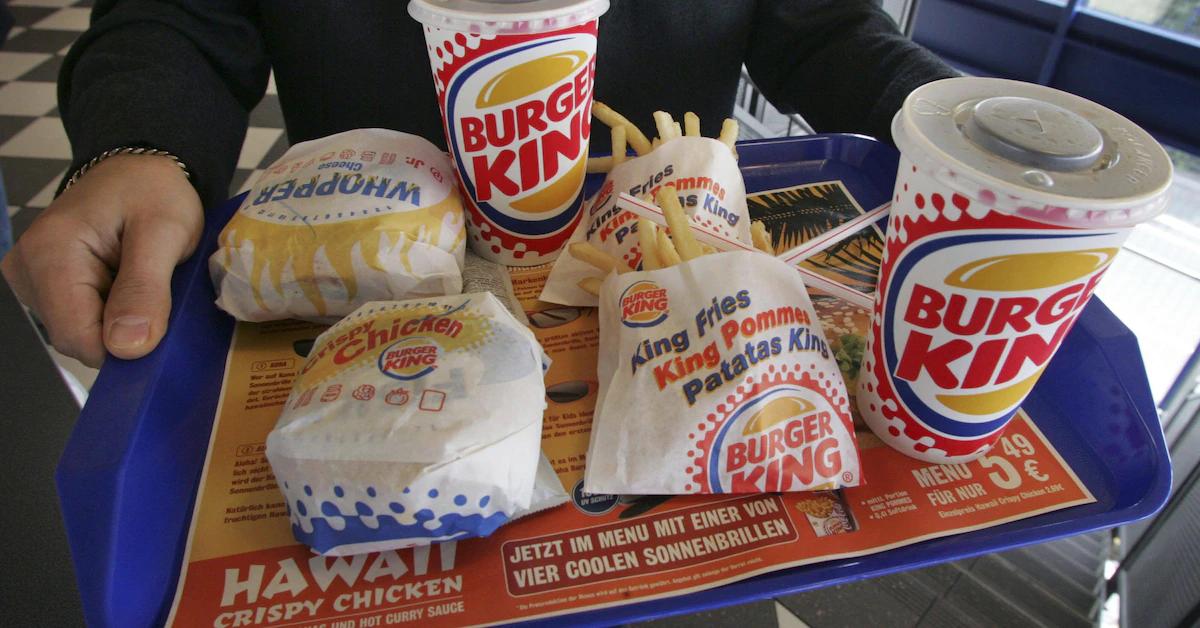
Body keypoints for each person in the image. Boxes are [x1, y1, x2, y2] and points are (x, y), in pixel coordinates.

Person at [1, 0, 956, 368]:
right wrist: (140, 148)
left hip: (678, 295)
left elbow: (823, 26)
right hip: (362, 292)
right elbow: (175, 15)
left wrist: (955, 130)